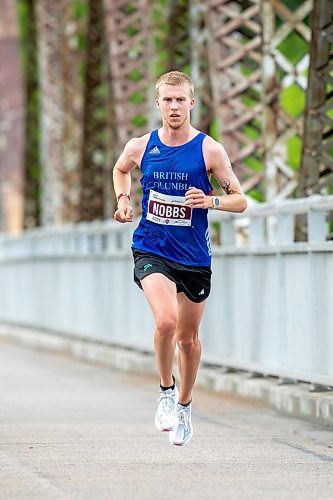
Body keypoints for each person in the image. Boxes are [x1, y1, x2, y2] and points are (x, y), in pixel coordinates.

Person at [113, 71, 247, 446]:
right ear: (158, 104)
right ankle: (166, 392)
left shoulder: (210, 150)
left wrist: (211, 201)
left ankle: (185, 408)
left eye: (180, 100)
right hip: (151, 246)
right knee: (166, 321)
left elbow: (240, 199)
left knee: (188, 341)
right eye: (167, 100)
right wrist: (124, 201)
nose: (174, 106)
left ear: (192, 103)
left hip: (193, 257)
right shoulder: (141, 146)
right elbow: (120, 170)